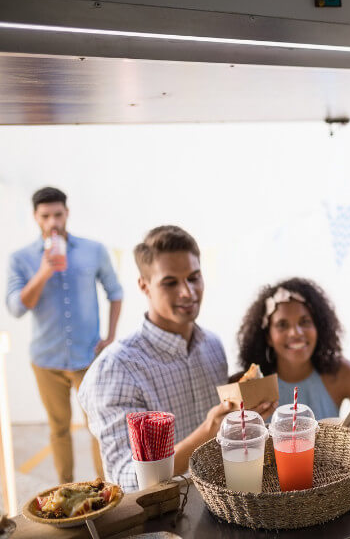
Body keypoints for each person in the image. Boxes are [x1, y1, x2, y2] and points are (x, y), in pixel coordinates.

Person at [78, 225, 274, 490]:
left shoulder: (212, 345)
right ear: (144, 286)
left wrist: (244, 400)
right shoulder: (115, 369)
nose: (187, 292)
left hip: (226, 500)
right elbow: (126, 481)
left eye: (194, 277)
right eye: (170, 282)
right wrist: (210, 430)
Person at [5, 186, 122, 483]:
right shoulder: (20, 259)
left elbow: (115, 292)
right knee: (58, 428)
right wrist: (44, 271)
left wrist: (109, 337)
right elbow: (17, 308)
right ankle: (65, 490)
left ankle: (103, 489)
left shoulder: (93, 250)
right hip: (46, 360)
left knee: (98, 426)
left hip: (88, 358)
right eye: (45, 216)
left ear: (67, 213)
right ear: (36, 217)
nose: (53, 222)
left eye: (58, 214)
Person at [236, 278, 350, 419]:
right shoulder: (245, 385)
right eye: (282, 325)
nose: (296, 333)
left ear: (318, 327)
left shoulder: (341, 373)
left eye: (305, 322)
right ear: (268, 336)